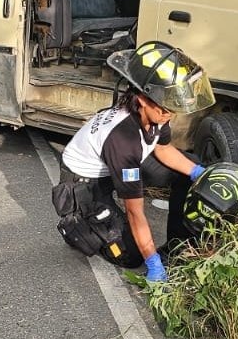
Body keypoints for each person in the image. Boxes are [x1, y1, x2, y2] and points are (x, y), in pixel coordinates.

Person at [53, 41, 216, 282]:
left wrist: (197, 173)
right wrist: (152, 261)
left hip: (113, 166)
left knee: (186, 167)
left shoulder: (159, 111)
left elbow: (162, 149)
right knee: (132, 256)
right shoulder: (124, 139)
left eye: (172, 105)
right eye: (164, 107)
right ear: (142, 99)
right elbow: (135, 211)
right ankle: (82, 225)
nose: (170, 113)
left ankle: (178, 246)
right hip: (84, 182)